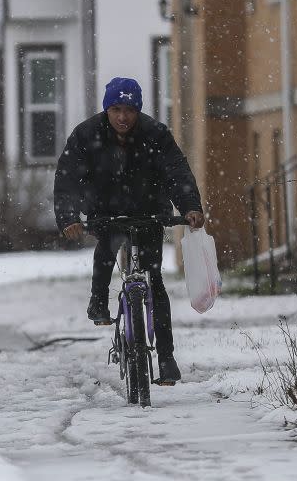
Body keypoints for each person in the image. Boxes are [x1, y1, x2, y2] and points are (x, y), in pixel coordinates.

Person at [53, 77, 205, 382]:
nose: (123, 117)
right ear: (107, 109)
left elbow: (177, 172)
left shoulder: (155, 134)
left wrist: (189, 206)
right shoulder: (86, 134)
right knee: (107, 250)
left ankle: (166, 358)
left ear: (139, 110)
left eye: (130, 110)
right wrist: (69, 216)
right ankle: (98, 301)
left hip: (148, 211)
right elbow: (67, 177)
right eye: (116, 109)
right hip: (106, 210)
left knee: (154, 278)